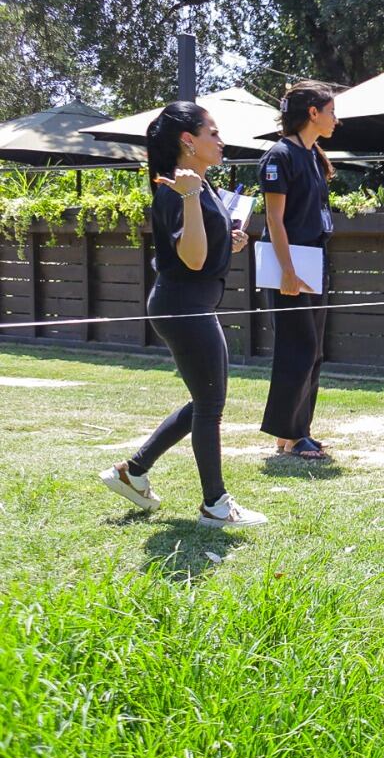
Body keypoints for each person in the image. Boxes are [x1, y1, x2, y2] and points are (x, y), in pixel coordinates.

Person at [99, 102, 267, 528]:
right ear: (188, 141)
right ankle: (215, 504)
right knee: (211, 404)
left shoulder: (199, 186)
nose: (221, 140)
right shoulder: (178, 189)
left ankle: (132, 472)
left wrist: (228, 240)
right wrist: (191, 198)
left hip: (191, 303)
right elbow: (191, 260)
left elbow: (199, 248)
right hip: (183, 305)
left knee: (206, 400)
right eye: (212, 132)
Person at [259, 80, 337, 461]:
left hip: (315, 261)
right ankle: (289, 433)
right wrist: (287, 270)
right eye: (331, 111)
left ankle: (298, 432)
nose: (335, 119)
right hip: (290, 264)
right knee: (298, 347)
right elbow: (275, 219)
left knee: (314, 349)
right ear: (313, 113)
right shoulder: (279, 156)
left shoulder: (312, 155)